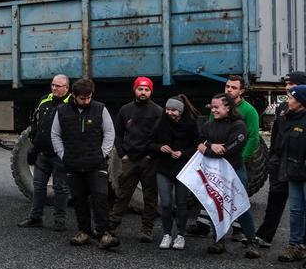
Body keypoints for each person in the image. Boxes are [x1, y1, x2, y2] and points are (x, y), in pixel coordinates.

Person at [51, 78, 116, 249]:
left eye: (89, 97)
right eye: (82, 98)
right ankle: (84, 232)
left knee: (100, 197)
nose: (86, 101)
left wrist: (102, 153)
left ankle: (104, 234)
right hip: (73, 163)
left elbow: (109, 132)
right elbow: (55, 135)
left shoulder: (100, 109)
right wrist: (63, 155)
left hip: (96, 163)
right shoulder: (62, 111)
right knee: (79, 199)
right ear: (73, 95)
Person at [197, 93, 260, 258]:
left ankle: (252, 241)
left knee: (241, 205)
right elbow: (200, 142)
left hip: (234, 171)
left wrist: (207, 149)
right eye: (212, 106)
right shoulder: (208, 125)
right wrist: (209, 145)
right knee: (215, 205)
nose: (213, 110)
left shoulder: (239, 125)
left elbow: (228, 150)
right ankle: (219, 240)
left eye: (217, 107)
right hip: (214, 172)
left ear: (228, 108)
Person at [108, 77, 163, 242]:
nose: (143, 92)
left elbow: (162, 136)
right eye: (140, 89)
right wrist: (122, 154)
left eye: (147, 90)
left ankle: (147, 230)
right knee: (122, 194)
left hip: (149, 160)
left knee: (150, 197)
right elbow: (117, 133)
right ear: (135, 90)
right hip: (129, 159)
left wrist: (151, 155)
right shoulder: (125, 110)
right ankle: (112, 227)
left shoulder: (157, 111)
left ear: (151, 91)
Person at [255, 71, 306, 247]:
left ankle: (300, 243)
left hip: (297, 163)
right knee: (275, 198)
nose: (287, 88)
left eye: (291, 84)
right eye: (286, 84)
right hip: (279, 161)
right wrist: (272, 158)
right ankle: (264, 236)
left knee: (299, 207)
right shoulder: (283, 108)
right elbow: (276, 134)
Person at [18, 74, 71, 231]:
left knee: (60, 188)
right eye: (53, 85)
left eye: (58, 86)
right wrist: (34, 144)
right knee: (39, 187)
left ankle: (59, 221)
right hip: (43, 153)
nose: (54, 88)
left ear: (67, 88)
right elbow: (35, 123)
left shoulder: (71, 104)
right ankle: (35, 218)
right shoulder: (44, 100)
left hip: (60, 156)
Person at [149, 95, 198, 250]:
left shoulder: (190, 125)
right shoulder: (160, 123)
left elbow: (196, 146)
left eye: (174, 110)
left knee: (181, 202)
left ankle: (181, 235)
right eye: (168, 109)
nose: (170, 113)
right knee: (165, 203)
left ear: (181, 111)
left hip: (183, 169)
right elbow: (150, 143)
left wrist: (182, 153)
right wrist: (160, 147)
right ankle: (167, 234)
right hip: (163, 168)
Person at [269, 84, 306, 263]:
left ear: (301, 101)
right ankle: (295, 245)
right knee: (296, 211)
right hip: (293, 172)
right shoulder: (288, 118)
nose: (287, 101)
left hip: (304, 171)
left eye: (291, 98)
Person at [223, 75, 260, 243]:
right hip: (220, 162)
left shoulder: (249, 111)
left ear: (241, 91)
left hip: (236, 163)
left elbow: (253, 138)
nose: (229, 90)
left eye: (234, 87)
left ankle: (246, 236)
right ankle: (218, 236)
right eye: (228, 86)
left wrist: (242, 158)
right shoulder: (219, 108)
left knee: (240, 197)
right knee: (217, 197)